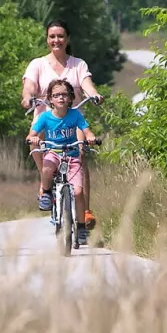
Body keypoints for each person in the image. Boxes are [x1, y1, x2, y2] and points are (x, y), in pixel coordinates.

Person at [21, 18, 101, 228]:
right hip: (45, 119)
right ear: (47, 39)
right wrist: (27, 97)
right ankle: (45, 184)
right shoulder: (37, 64)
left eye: (60, 36)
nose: (56, 40)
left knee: (81, 153)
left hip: (72, 120)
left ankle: (85, 210)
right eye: (52, 36)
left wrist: (94, 95)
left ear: (67, 39)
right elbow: (29, 87)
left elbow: (87, 84)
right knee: (35, 145)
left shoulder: (78, 64)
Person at [28, 78, 99, 244]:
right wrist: (33, 138)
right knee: (47, 168)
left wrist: (90, 137)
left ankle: (81, 227)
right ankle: (46, 193)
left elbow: (86, 130)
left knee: (78, 192)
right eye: (56, 95)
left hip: (72, 155)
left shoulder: (75, 115)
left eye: (65, 95)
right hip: (54, 153)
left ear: (71, 98)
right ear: (50, 99)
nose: (61, 98)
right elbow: (32, 133)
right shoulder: (45, 117)